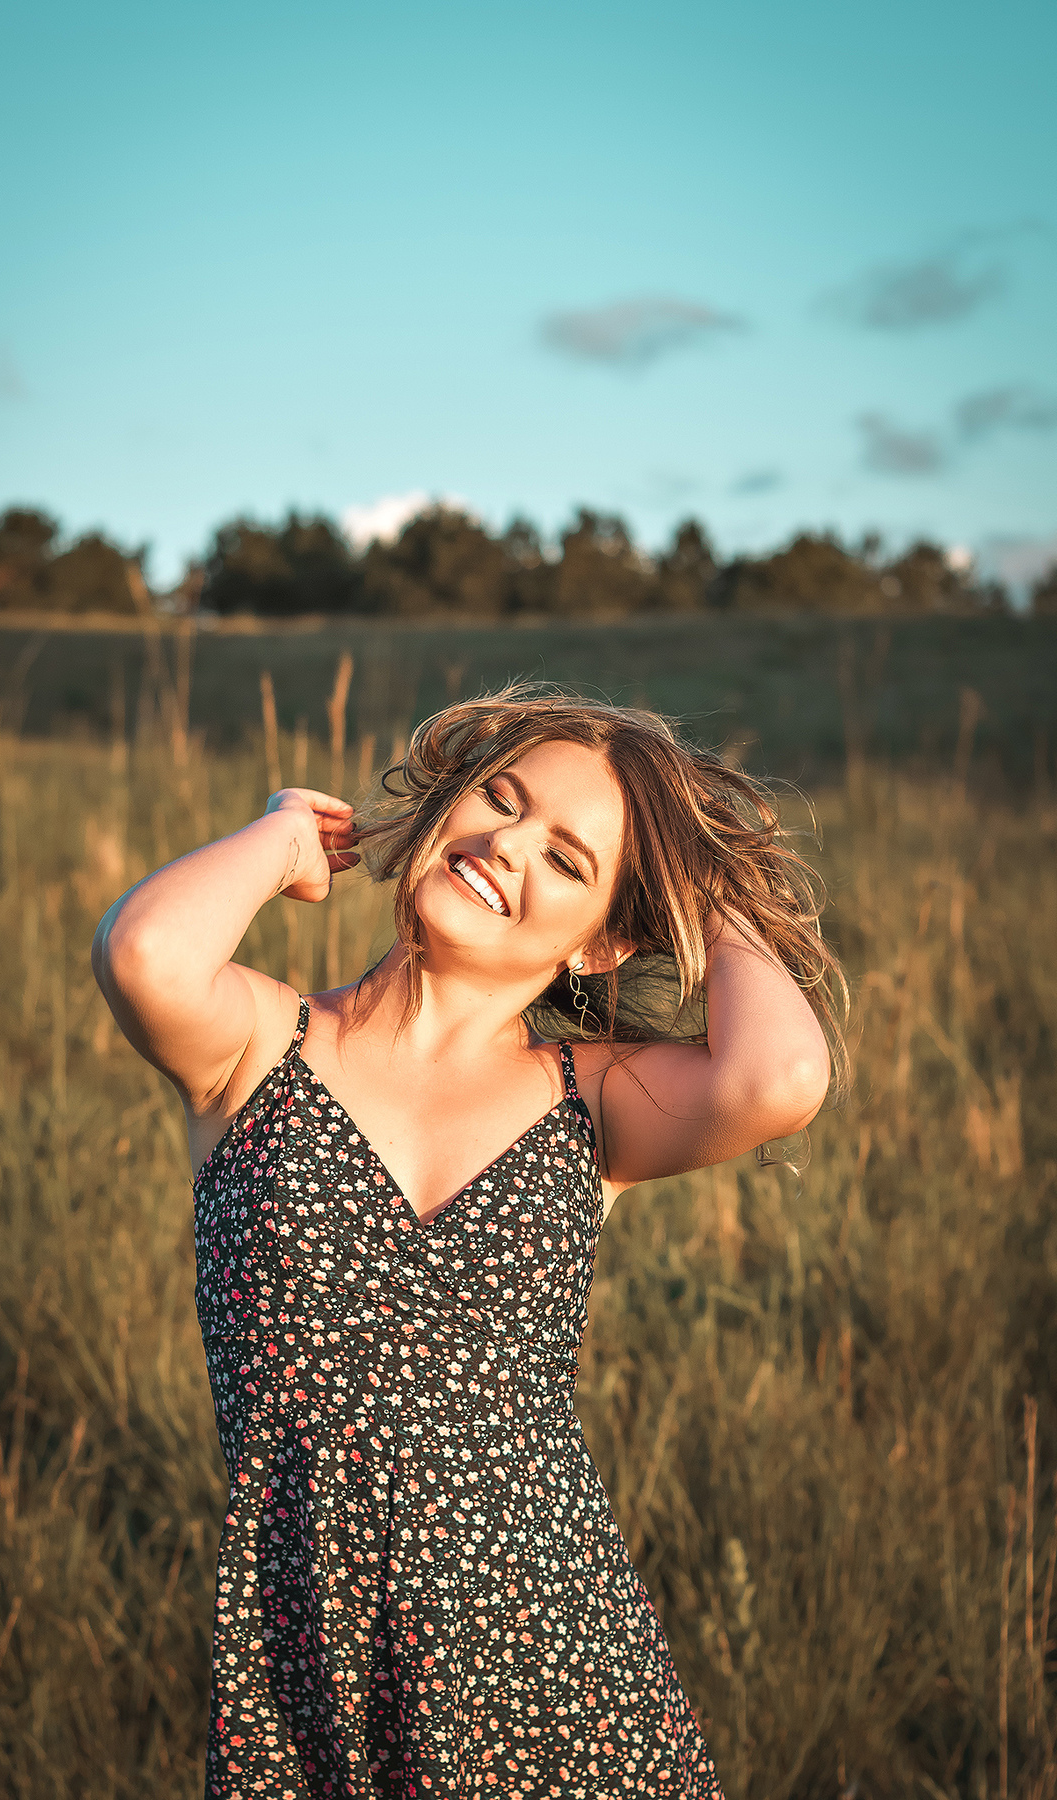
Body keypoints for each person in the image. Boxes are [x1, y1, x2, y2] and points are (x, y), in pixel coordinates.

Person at [92, 687, 844, 1800]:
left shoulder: (594, 1100)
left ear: (604, 941)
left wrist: (708, 890)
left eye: (570, 858)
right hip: (316, 1658)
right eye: (500, 798)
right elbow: (147, 951)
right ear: (447, 806)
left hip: (556, 1653)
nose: (507, 844)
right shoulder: (260, 1043)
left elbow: (779, 1077)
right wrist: (287, 836)